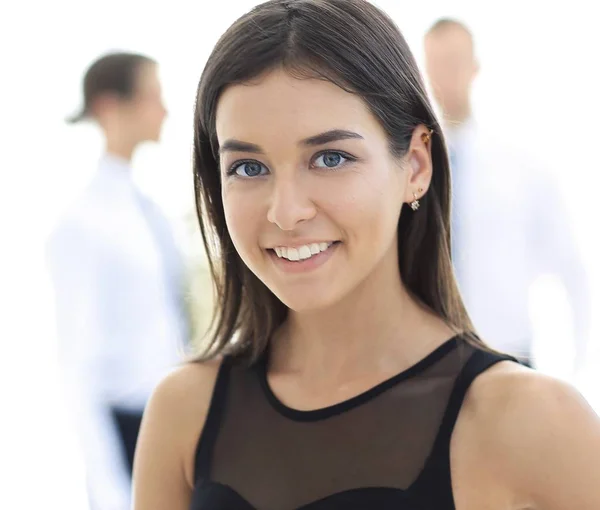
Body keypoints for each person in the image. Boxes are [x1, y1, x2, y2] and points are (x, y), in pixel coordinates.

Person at [133, 2, 600, 509]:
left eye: (330, 158)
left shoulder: (534, 425)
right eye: (248, 168)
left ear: (415, 165)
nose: (286, 212)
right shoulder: (184, 412)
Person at [46, 52, 189, 510]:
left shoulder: (146, 209)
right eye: (153, 96)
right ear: (111, 107)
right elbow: (77, 369)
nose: (164, 110)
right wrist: (109, 492)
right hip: (128, 437)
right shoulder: (82, 223)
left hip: (173, 423)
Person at [423, 18, 590, 370]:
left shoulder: (523, 170)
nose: (445, 77)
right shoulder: (411, 172)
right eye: (436, 65)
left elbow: (570, 268)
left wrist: (580, 367)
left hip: (507, 353)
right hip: (431, 354)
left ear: (474, 68)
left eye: (454, 63)